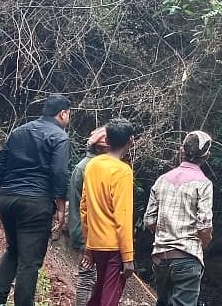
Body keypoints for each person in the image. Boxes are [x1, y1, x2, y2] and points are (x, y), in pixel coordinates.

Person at [0, 94, 72, 306]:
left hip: (7, 199)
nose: (69, 118)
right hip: (35, 202)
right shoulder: (59, 137)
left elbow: (0, 164)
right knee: (30, 261)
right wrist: (61, 207)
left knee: (14, 248)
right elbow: (59, 172)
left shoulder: (19, 131)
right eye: (69, 114)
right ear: (62, 113)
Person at [145, 131, 214, 306]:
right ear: (206, 155)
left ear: (181, 150)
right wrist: (203, 244)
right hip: (187, 257)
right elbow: (204, 227)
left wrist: (166, 231)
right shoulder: (203, 184)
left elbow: (149, 220)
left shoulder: (162, 180)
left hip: (160, 258)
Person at [80, 118, 137, 306]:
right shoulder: (123, 171)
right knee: (109, 298)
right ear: (130, 141)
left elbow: (84, 208)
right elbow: (123, 215)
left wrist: (88, 246)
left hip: (96, 243)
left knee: (99, 295)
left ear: (108, 140)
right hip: (114, 246)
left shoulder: (92, 165)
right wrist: (128, 257)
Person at [67, 126, 110, 306]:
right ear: (102, 148)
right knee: (87, 280)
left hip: (88, 234)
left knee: (92, 280)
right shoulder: (91, 168)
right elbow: (89, 207)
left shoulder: (86, 166)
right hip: (89, 236)